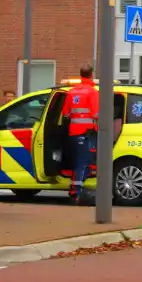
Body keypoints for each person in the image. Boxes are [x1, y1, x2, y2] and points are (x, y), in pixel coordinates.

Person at [61, 64, 99, 205]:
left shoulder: (71, 92)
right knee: (83, 163)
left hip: (73, 132)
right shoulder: (92, 92)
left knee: (80, 162)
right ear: (91, 75)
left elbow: (66, 114)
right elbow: (96, 114)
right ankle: (76, 192)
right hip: (87, 132)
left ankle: (78, 189)